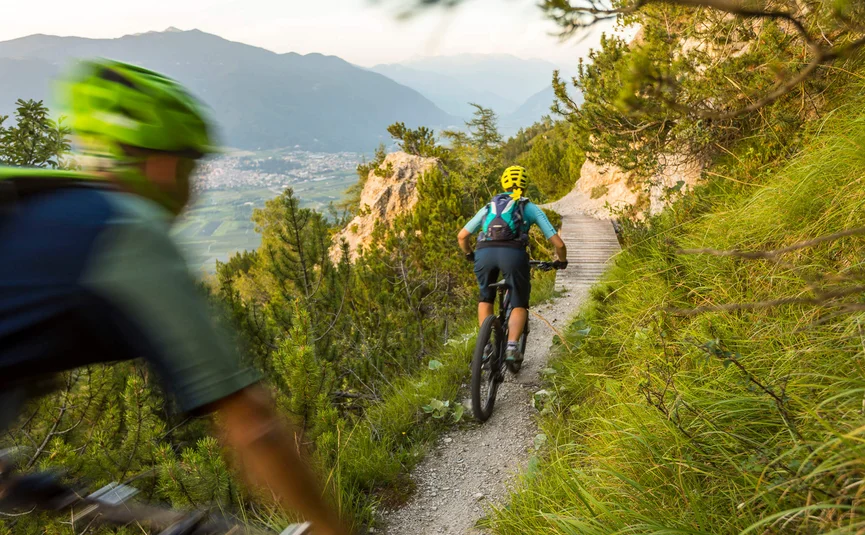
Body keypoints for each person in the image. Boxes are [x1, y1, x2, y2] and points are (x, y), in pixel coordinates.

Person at [0, 59, 348, 535]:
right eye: (192, 168)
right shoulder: (124, 230)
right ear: (164, 166)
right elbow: (255, 425)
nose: (194, 187)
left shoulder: (38, 206)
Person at [457, 166, 568, 364]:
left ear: (503, 184)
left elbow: (462, 236)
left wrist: (469, 254)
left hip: (484, 253)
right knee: (519, 303)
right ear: (525, 186)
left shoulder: (489, 206)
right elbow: (558, 244)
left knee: (485, 298)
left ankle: (485, 347)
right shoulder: (528, 207)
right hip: (513, 255)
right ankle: (511, 347)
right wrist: (561, 261)